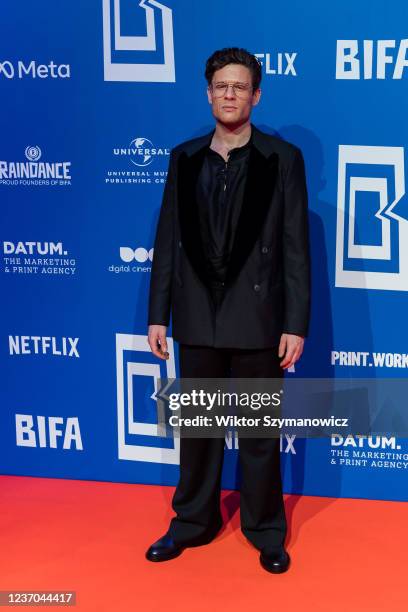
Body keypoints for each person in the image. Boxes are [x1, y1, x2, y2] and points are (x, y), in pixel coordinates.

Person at [145, 47, 310, 574]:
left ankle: (265, 530)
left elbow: (293, 247)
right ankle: (193, 522)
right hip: (197, 316)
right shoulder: (184, 157)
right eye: (221, 86)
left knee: (259, 434)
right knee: (198, 431)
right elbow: (167, 239)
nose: (230, 94)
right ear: (208, 92)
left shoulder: (281, 159)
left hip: (259, 319)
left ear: (256, 95)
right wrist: (158, 314)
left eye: (240, 86)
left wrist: (295, 324)